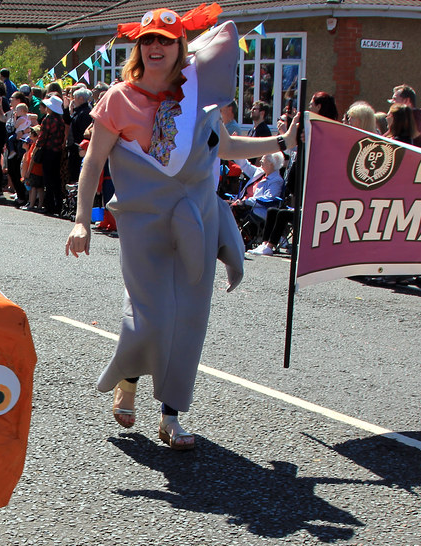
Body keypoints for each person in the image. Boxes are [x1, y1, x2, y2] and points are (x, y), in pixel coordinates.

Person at [64, 6, 299, 449]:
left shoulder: (197, 96)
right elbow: (93, 161)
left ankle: (171, 416)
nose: (156, 47)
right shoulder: (118, 98)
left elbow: (225, 146)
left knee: (189, 317)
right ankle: (128, 378)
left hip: (196, 220)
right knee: (153, 314)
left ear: (179, 47)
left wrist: (283, 142)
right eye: (148, 40)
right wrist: (81, 222)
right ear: (139, 47)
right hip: (143, 224)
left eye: (165, 40)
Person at [36, 94, 66, 214]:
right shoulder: (61, 121)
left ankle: (49, 205)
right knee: (56, 179)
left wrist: (37, 146)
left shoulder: (48, 119)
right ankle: (58, 205)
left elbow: (42, 137)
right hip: (57, 152)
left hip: (48, 151)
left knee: (48, 179)